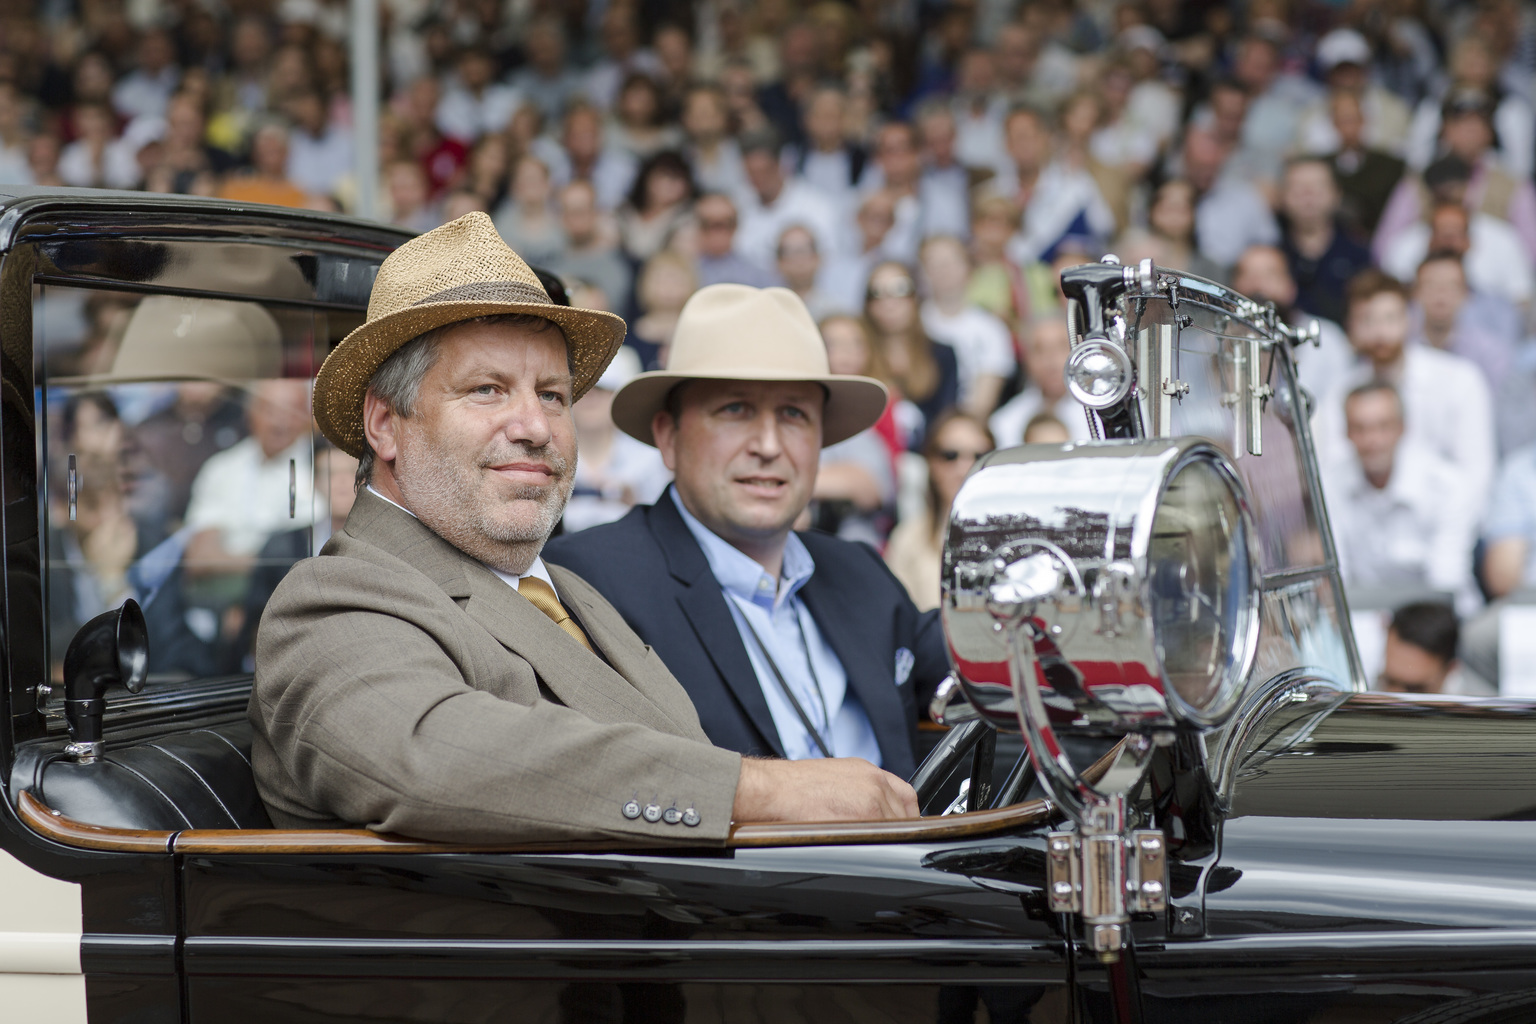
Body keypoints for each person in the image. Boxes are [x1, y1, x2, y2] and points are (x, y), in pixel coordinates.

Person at [252, 213, 918, 843]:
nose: (535, 427)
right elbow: (436, 759)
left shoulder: (571, 591)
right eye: (486, 389)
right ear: (384, 423)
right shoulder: (330, 602)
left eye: (553, 395)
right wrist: (764, 793)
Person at [544, 283, 947, 777]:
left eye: (794, 414)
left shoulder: (859, 572)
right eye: (735, 409)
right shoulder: (590, 582)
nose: (769, 445)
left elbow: (988, 655)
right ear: (669, 438)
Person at [1313, 271, 1496, 509]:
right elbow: (1334, 471)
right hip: (1369, 527)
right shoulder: (1342, 391)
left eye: (1389, 318)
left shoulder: (1460, 379)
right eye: (1367, 320)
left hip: (1449, 522)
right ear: (1351, 327)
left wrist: (1452, 533)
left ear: (1409, 320)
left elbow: (1477, 474)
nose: (1379, 332)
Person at [1323, 382, 1480, 614]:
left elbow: (1446, 581)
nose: (1372, 440)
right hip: (1361, 619)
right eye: (1360, 428)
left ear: (1403, 428)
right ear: (1346, 433)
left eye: (1383, 427)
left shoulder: (1446, 486)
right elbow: (1338, 576)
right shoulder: (1329, 484)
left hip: (1440, 620)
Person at [884, 411, 994, 612]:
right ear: (932, 464)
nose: (965, 467)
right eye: (950, 456)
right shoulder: (907, 539)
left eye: (979, 456)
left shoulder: (1019, 538)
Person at [918, 235, 1016, 418]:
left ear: (968, 268)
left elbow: (985, 400)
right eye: (934, 263)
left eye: (950, 261)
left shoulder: (992, 328)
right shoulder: (913, 323)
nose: (943, 270)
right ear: (923, 273)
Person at [863, 261, 958, 448]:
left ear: (916, 297)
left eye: (900, 290)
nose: (888, 303)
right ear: (867, 303)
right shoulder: (858, 353)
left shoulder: (942, 355)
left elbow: (945, 421)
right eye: (876, 293)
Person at [1278, 157, 1373, 326]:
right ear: (1282, 196)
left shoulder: (1359, 255)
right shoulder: (1270, 256)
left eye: (1318, 187)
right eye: (1298, 188)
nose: (1308, 196)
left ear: (1337, 194)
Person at [989, 316, 1090, 445]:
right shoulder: (1005, 422)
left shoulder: (1100, 414)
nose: (1051, 361)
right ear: (1025, 358)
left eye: (1061, 347)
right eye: (1039, 349)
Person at [1375, 602, 1494, 697]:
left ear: (1451, 669)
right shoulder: (1365, 690)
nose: (1395, 699)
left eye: (1414, 690)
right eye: (1389, 681)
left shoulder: (1485, 714)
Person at [693, 192, 779, 289]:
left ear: (736, 226)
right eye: (709, 224)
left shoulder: (758, 274)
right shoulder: (685, 271)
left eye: (726, 224)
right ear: (698, 227)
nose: (718, 231)